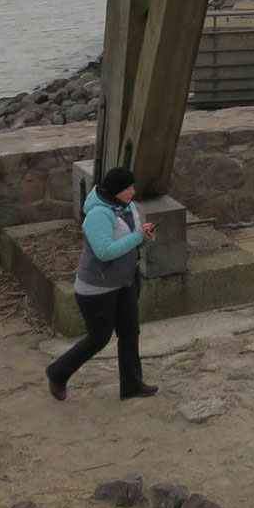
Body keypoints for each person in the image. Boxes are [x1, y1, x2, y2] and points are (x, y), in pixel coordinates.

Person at [45, 165, 160, 400]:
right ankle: (57, 372)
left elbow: (131, 241)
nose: (133, 191)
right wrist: (138, 236)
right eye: (128, 187)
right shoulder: (98, 214)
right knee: (98, 339)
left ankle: (131, 385)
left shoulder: (129, 207)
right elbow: (105, 252)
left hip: (125, 281)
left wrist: (146, 239)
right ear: (117, 190)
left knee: (130, 333)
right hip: (97, 289)